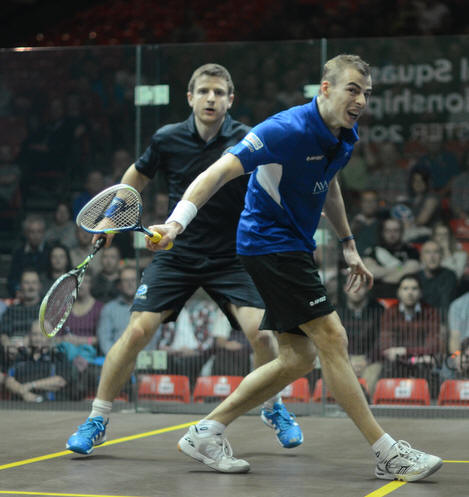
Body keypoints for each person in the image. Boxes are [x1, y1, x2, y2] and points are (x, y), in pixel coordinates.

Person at [149, 54, 442, 481]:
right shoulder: (283, 130)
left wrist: (348, 244)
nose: (361, 100)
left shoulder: (343, 134)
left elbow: (330, 184)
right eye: (352, 90)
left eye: (366, 93)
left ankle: (205, 432)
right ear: (325, 88)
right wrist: (176, 223)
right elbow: (219, 171)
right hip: (268, 244)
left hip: (292, 247)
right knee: (333, 337)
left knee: (297, 358)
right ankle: (387, 453)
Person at [66, 63, 302, 455]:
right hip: (176, 252)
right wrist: (110, 219)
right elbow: (136, 176)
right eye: (204, 91)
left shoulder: (248, 137)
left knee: (262, 334)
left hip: (233, 255)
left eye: (219, 92)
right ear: (190, 97)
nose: (211, 98)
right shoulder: (167, 138)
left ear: (230, 100)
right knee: (137, 331)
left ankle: (273, 406)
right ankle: (97, 418)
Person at [378, 275, 443, 398]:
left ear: (420, 292)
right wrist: (417, 356)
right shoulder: (390, 313)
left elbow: (433, 347)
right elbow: (386, 347)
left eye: (414, 288)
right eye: (405, 288)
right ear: (398, 292)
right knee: (386, 371)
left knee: (432, 376)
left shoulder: (431, 313)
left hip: (423, 365)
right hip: (399, 364)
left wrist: (404, 351)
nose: (410, 293)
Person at [97, 266, 158, 355]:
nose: (130, 284)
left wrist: (142, 357)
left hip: (145, 360)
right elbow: (104, 339)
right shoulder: (109, 309)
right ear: (120, 285)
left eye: (133, 280)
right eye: (126, 280)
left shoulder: (151, 308)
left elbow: (155, 337)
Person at [338, 280, 383, 396]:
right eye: (352, 285)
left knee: (371, 378)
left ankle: (366, 406)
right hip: (344, 358)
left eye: (361, 286)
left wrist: (367, 359)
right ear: (345, 288)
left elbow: (382, 340)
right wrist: (348, 358)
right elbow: (333, 340)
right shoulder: (336, 311)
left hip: (371, 360)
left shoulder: (378, 310)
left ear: (367, 288)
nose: (356, 290)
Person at [362, 217, 420, 299]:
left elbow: (412, 270)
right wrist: (400, 268)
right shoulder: (373, 251)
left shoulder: (411, 250)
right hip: (377, 297)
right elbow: (371, 272)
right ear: (382, 232)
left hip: (405, 297)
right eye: (388, 230)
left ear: (401, 232)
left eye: (395, 230)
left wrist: (382, 274)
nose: (392, 234)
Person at [7, 214, 50, 297]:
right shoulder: (18, 253)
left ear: (44, 233)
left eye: (39, 231)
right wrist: (17, 291)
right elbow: (12, 279)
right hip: (23, 296)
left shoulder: (50, 252)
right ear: (26, 233)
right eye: (32, 232)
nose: (36, 235)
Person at [416, 240, 458, 316]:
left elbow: (445, 304)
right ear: (421, 257)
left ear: (441, 256)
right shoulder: (416, 277)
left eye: (436, 252)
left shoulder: (449, 276)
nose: (432, 257)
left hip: (441, 319)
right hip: (419, 319)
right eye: (427, 252)